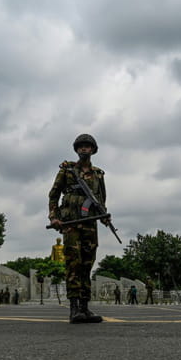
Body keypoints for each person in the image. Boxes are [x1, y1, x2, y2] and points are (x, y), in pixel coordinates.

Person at [48, 134, 110, 324]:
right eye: (81, 146)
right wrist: (54, 217)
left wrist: (104, 216)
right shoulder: (67, 170)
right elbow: (53, 195)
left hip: (90, 224)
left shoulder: (98, 174)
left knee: (87, 265)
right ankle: (74, 309)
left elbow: (101, 199)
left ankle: (85, 307)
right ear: (76, 149)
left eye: (87, 146)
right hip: (71, 224)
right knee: (73, 264)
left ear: (93, 150)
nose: (84, 149)